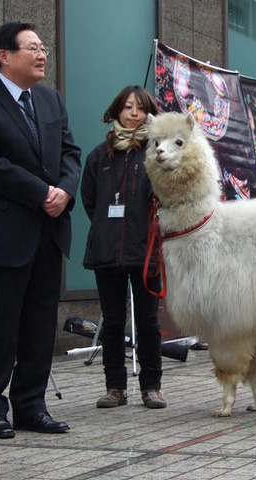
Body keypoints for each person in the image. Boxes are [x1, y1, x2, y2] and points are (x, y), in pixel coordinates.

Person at [0, 22, 81, 438]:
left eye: (43, 48)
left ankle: (31, 406)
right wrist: (42, 191)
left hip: (48, 229)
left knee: (40, 324)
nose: (42, 55)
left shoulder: (50, 99)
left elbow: (71, 153)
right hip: (1, 234)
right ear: (4, 55)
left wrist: (65, 192)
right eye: (33, 48)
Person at [81, 86, 167, 409]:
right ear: (117, 110)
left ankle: (152, 386)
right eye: (128, 107)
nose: (134, 113)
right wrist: (109, 228)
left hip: (145, 250)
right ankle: (115, 387)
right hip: (106, 251)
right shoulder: (97, 156)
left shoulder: (157, 153)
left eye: (141, 108)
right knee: (112, 321)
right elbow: (90, 201)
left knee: (148, 321)